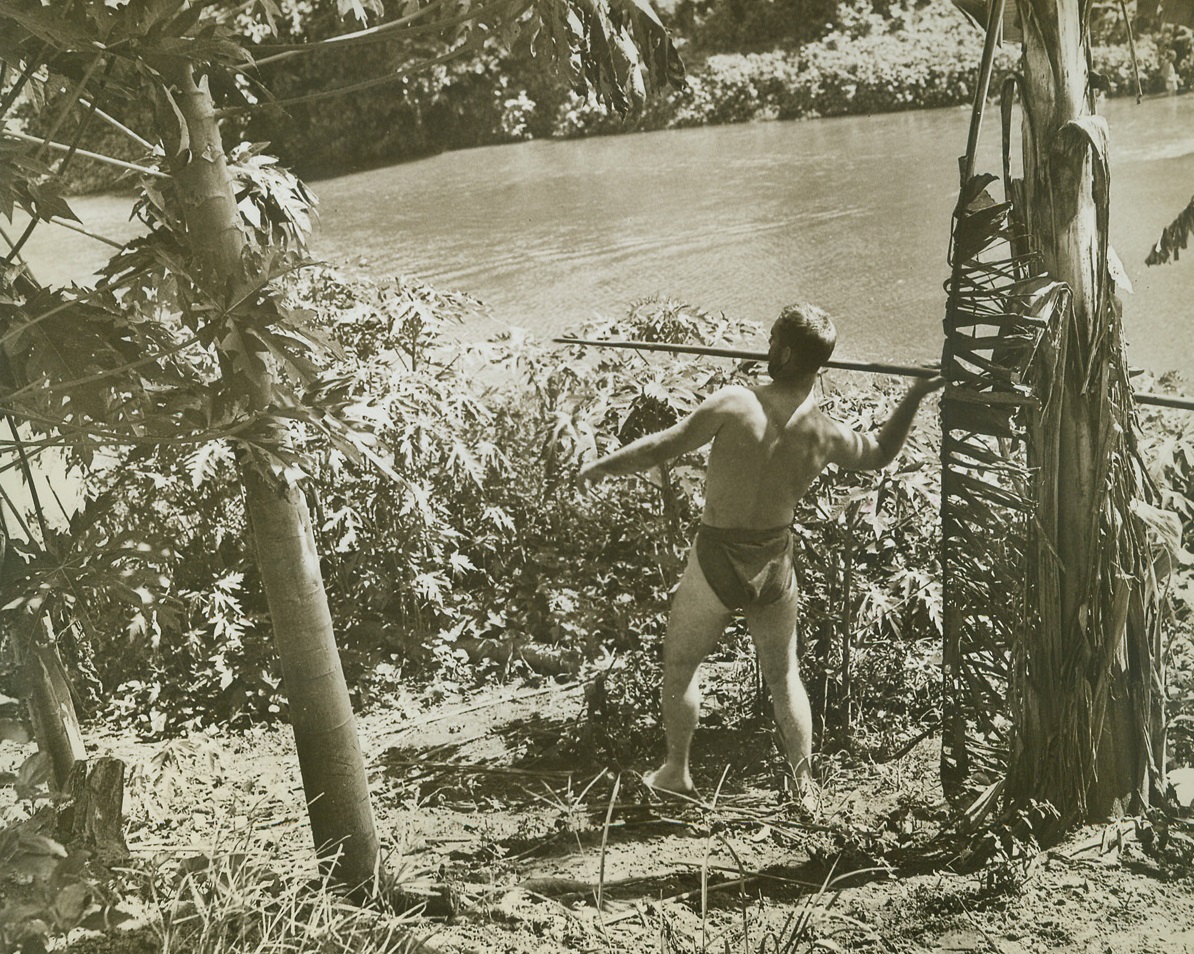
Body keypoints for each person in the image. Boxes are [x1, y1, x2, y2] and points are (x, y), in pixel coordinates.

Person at [578, 303, 943, 801]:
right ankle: (803, 786)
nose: (765, 347)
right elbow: (879, 453)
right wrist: (916, 394)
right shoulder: (824, 433)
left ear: (786, 351)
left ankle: (676, 772)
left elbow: (664, 446)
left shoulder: (734, 403)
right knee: (784, 675)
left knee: (682, 666)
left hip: (717, 558)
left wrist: (602, 466)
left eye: (772, 339)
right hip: (775, 561)